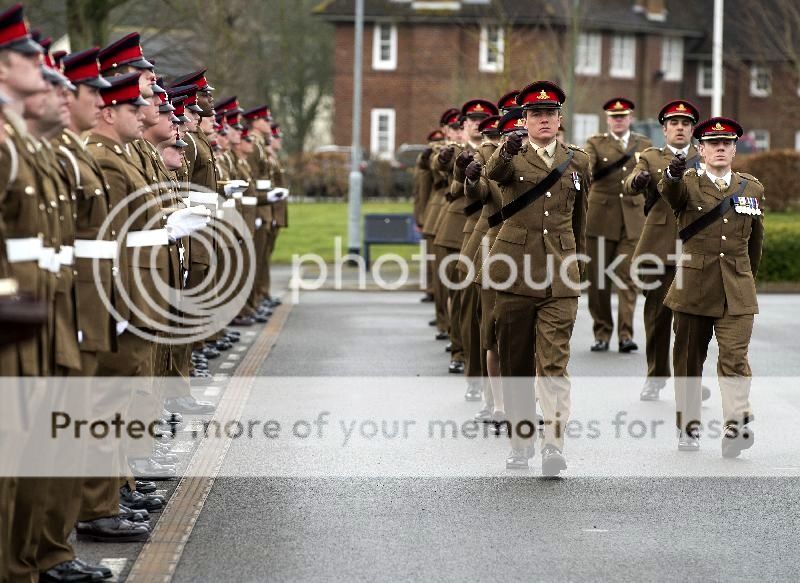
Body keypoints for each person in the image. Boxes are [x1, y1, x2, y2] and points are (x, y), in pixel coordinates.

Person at [483, 81, 590, 475]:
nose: (543, 120)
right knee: (516, 363)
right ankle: (520, 443)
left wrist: (580, 267)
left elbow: (581, 221)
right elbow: (493, 176)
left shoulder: (578, 161)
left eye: (550, 114)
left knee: (554, 364)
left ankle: (553, 445)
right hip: (514, 273)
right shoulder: (510, 155)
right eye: (535, 115)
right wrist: (505, 147)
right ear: (524, 120)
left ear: (560, 120)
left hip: (561, 277)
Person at [658, 117, 763, 457]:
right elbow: (671, 193)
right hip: (694, 286)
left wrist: (746, 279)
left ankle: (735, 425)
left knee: (735, 359)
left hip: (737, 287)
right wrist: (672, 175)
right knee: (689, 360)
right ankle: (688, 427)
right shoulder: (686, 183)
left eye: (727, 143)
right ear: (699, 149)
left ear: (734, 149)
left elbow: (755, 244)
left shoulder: (751, 188)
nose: (720, 148)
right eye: (712, 143)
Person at [624, 100, 705, 401]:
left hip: (694, 248)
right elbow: (631, 183)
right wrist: (639, 180)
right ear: (665, 129)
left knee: (691, 321)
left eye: (686, 123)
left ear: (693, 129)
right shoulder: (650, 156)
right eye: (674, 123)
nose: (680, 128)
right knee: (658, 317)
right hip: (658, 249)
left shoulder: (704, 157)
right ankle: (655, 377)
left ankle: (690, 380)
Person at [583, 98, 652, 353]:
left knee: (628, 276)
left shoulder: (643, 144)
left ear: (630, 118)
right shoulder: (595, 143)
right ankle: (602, 332)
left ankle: (625, 334)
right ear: (607, 119)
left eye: (623, 116)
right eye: (614, 116)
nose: (619, 120)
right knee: (598, 279)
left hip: (633, 220)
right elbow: (587, 165)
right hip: (601, 219)